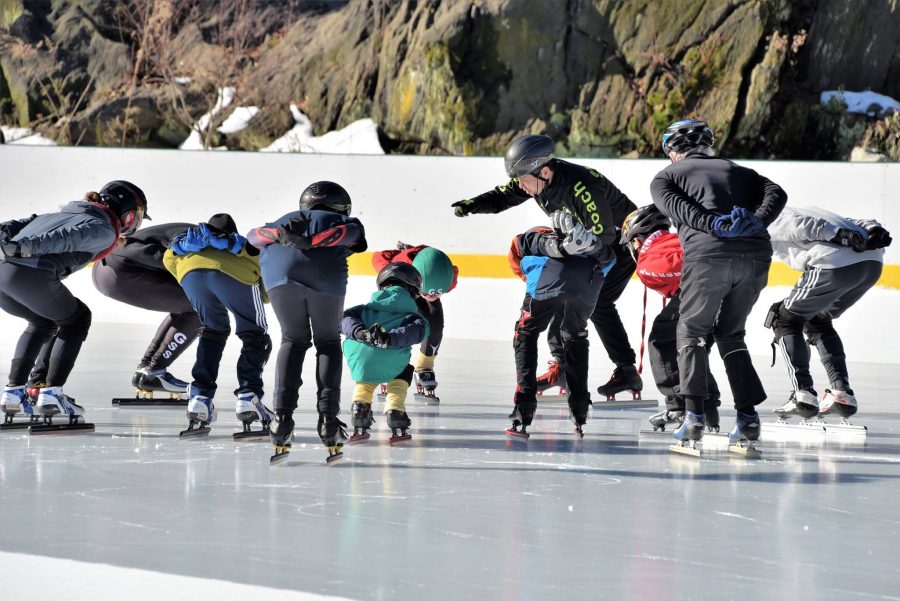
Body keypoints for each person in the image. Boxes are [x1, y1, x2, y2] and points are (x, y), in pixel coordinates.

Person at [452, 134, 641, 400]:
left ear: (544, 170)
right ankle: (562, 367)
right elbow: (503, 196)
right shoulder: (537, 179)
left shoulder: (581, 187)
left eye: (523, 181)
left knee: (596, 304)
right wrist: (474, 205)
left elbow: (604, 238)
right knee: (561, 297)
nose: (521, 187)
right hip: (586, 246)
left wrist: (570, 250)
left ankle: (626, 371)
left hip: (618, 246)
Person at [650, 118, 787, 452]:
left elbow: (679, 210)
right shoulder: (740, 171)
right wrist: (757, 220)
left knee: (691, 332)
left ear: (672, 151)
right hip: (756, 256)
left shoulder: (666, 176)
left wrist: (713, 224)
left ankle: (693, 417)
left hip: (708, 257)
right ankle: (747, 420)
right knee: (731, 334)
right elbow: (777, 193)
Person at [0, 180, 147, 431]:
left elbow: (20, 224)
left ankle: (13, 395)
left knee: (42, 321)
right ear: (127, 213)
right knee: (77, 319)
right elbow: (65, 238)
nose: (134, 224)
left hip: (3, 274)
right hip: (29, 272)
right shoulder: (103, 227)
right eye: (137, 217)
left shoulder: (66, 212)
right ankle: (51, 395)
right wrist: (26, 248)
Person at [245, 181, 366, 461]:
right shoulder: (344, 219)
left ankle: (282, 421)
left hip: (278, 277)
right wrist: (310, 242)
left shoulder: (281, 221)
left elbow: (252, 237)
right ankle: (329, 422)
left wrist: (280, 235)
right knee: (327, 342)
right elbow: (349, 233)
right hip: (324, 278)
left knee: (292, 340)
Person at [765, 206, 891, 421]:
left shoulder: (769, 216)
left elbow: (801, 226)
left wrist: (838, 236)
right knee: (818, 320)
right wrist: (873, 229)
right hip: (871, 265)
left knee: (784, 318)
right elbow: (854, 220)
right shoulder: (803, 208)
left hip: (833, 265)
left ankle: (802, 394)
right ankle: (841, 394)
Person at [505, 214, 615, 438]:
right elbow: (610, 261)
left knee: (526, 332)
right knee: (575, 337)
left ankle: (523, 409)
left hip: (548, 279)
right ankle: (579, 411)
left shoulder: (530, 240)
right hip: (587, 282)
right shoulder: (586, 244)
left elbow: (518, 252)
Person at [163, 213, 272, 438]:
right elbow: (265, 270)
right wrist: (262, 294)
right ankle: (248, 397)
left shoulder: (191, 242)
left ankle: (199, 399)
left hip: (190, 272)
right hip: (236, 274)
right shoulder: (240, 244)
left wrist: (189, 277)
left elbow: (168, 259)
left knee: (213, 331)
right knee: (255, 333)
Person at [619, 205, 721, 432]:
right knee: (694, 350)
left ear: (637, 239)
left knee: (662, 340)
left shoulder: (648, 260)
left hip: (701, 291)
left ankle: (679, 405)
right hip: (727, 290)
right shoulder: (674, 238)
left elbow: (691, 267)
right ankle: (708, 408)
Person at [92, 222, 200, 399]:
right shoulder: (206, 240)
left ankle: (145, 369)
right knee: (202, 307)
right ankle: (154, 371)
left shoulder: (196, 231)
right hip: (121, 268)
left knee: (184, 304)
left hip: (107, 267)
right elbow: (152, 254)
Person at [341, 263, 429, 450]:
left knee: (368, 369)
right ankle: (395, 412)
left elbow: (343, 320)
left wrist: (360, 333)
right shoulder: (413, 317)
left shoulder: (362, 310)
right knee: (403, 369)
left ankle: (360, 410)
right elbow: (417, 332)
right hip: (391, 363)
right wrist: (389, 339)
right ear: (413, 290)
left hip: (360, 361)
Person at [371, 243, 457, 400]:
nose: (431, 296)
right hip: (404, 285)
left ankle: (425, 366)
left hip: (420, 277)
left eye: (437, 294)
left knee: (435, 322)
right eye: (426, 293)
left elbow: (432, 292)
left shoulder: (448, 279)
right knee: (396, 323)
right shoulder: (394, 269)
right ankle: (388, 363)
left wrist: (428, 294)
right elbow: (377, 257)